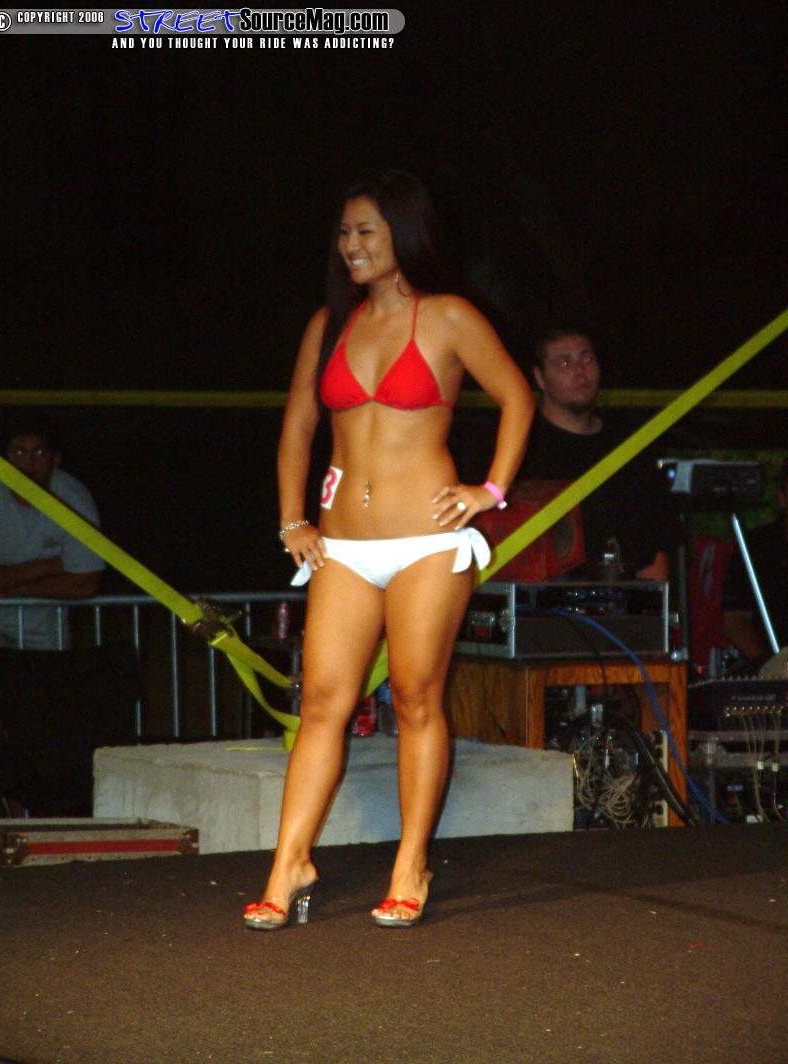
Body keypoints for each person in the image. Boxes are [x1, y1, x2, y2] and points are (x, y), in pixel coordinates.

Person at [244, 170, 534, 930]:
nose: (350, 245)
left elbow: (517, 396)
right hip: (342, 545)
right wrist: (291, 521)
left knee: (414, 697)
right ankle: (287, 865)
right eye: (344, 233)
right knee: (322, 702)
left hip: (427, 541)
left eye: (366, 231)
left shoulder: (449, 316)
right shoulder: (329, 325)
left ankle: (410, 865)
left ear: (405, 235)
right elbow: (298, 427)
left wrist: (490, 490)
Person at [518, 326, 679, 580]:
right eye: (564, 362)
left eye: (587, 359)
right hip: (536, 596)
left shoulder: (630, 447)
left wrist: (651, 602)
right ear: (540, 378)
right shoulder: (519, 447)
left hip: (618, 597)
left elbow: (655, 546)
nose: (580, 370)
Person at [0, 419, 104, 651]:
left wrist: (7, 589)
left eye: (39, 452)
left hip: (44, 634)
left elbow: (85, 584)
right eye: (18, 452)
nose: (28, 462)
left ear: (55, 459)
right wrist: (50, 566)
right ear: (5, 459)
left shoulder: (74, 499)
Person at [722, 457, 788, 665]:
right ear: (782, 498)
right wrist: (769, 667)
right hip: (772, 668)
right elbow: (735, 620)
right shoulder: (756, 547)